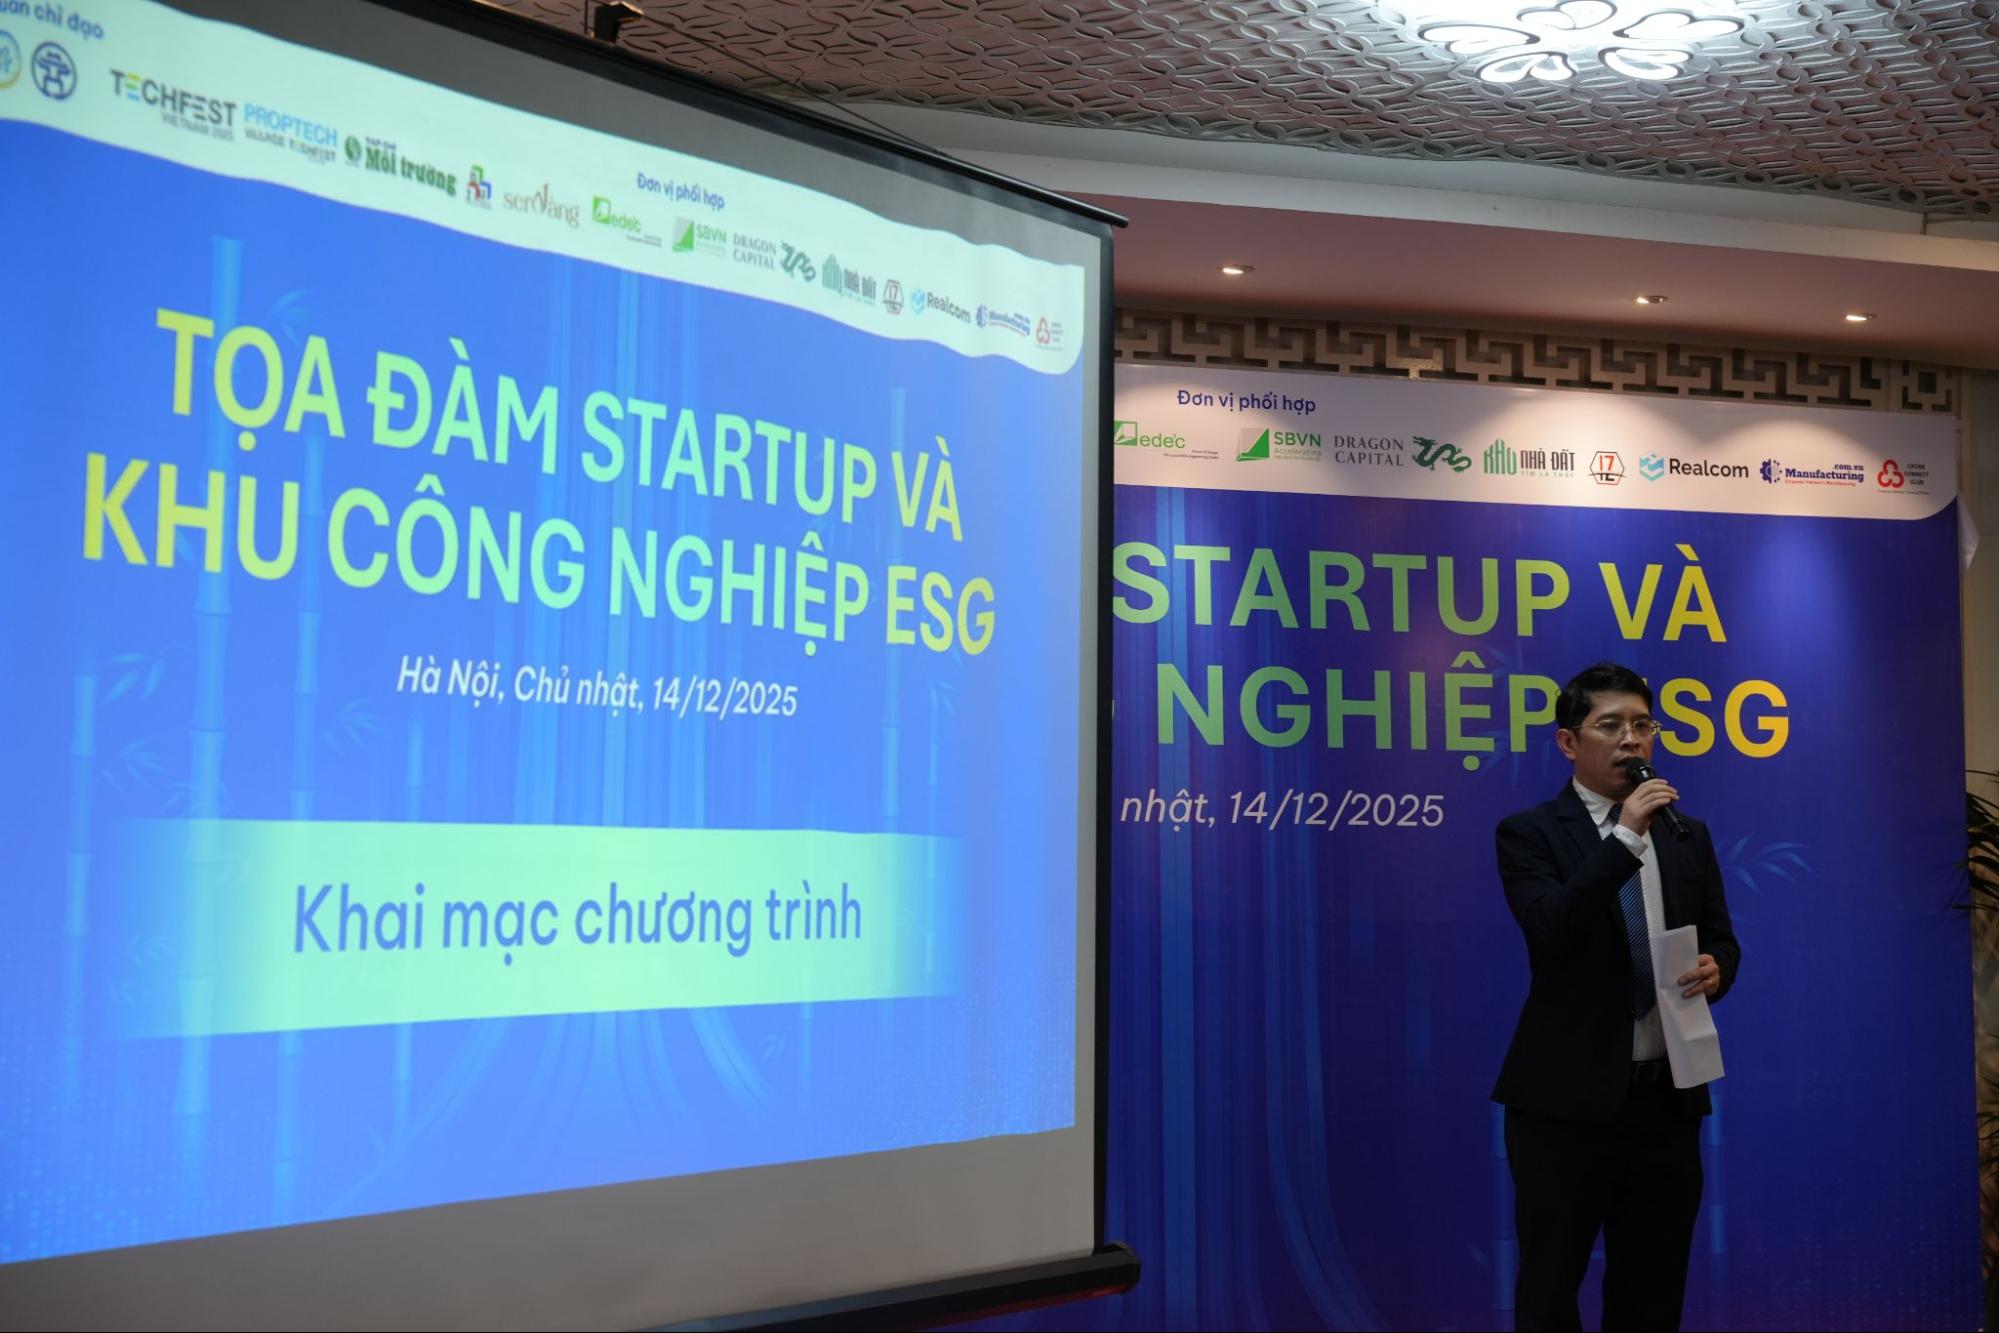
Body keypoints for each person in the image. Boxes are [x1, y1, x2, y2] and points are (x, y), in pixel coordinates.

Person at [1491, 661, 1741, 1331]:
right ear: (1568, 742)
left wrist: (1719, 968)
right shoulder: (1530, 832)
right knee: (1550, 1288)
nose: (1631, 739)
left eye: (1642, 725)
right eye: (1610, 725)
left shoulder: (1686, 834)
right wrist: (1625, 834)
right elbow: (1551, 927)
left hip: (1665, 1101)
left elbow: (1721, 937)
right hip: (1564, 1106)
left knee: (1651, 1291)